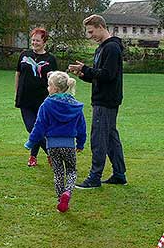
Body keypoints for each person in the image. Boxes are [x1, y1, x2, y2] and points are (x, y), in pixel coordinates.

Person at [68, 14, 127, 189]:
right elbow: (99, 76)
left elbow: (108, 75)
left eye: (91, 31)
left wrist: (87, 69)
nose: (90, 35)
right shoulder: (102, 48)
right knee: (110, 138)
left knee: (98, 139)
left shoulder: (112, 49)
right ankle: (119, 174)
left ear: (101, 26)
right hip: (104, 98)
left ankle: (94, 177)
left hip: (106, 101)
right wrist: (84, 74)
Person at [26, 71, 86, 212]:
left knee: (58, 172)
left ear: (55, 88)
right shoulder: (75, 106)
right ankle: (67, 192)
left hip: (52, 145)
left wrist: (31, 142)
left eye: (49, 85)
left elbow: (39, 126)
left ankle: (61, 199)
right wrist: (81, 142)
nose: (47, 88)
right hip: (69, 145)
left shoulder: (46, 105)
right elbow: (81, 126)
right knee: (71, 171)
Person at [15, 27, 58, 167]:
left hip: (43, 100)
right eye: (33, 40)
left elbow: (54, 80)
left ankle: (33, 156)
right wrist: (17, 92)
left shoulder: (50, 59)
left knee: (40, 128)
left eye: (37, 40)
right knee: (32, 128)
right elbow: (18, 74)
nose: (34, 43)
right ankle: (51, 153)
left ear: (44, 42)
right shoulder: (24, 55)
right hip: (25, 98)